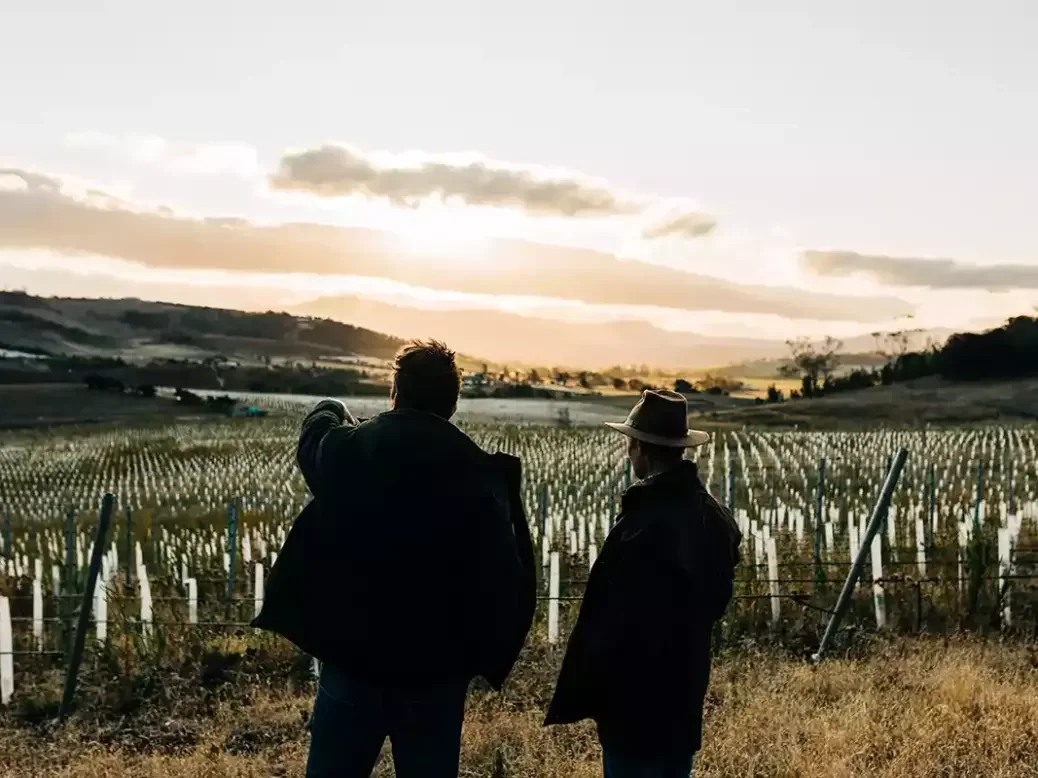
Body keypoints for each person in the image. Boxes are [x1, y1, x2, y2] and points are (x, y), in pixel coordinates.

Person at [252, 340, 535, 778]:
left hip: (354, 662)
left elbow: (314, 442)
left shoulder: (354, 449)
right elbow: (504, 579)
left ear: (395, 393)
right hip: (437, 674)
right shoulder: (480, 474)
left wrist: (331, 406)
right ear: (452, 404)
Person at [544, 389, 742, 778]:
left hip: (633, 697)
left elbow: (614, 617)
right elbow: (717, 599)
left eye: (630, 444)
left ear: (641, 448)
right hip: (684, 684)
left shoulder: (645, 522)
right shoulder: (713, 515)